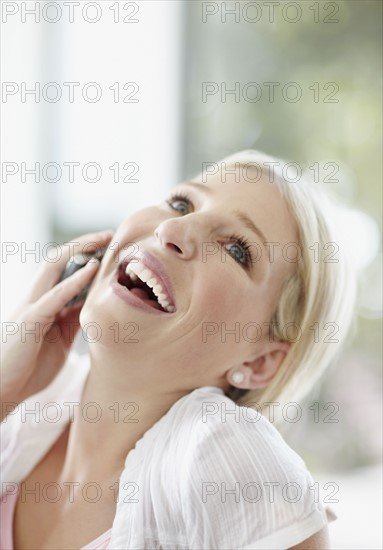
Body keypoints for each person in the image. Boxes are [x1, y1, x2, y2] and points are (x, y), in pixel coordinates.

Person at [0, 150, 355, 549]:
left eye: (236, 249)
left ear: (259, 361)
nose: (174, 228)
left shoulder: (222, 452)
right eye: (181, 203)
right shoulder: (25, 417)